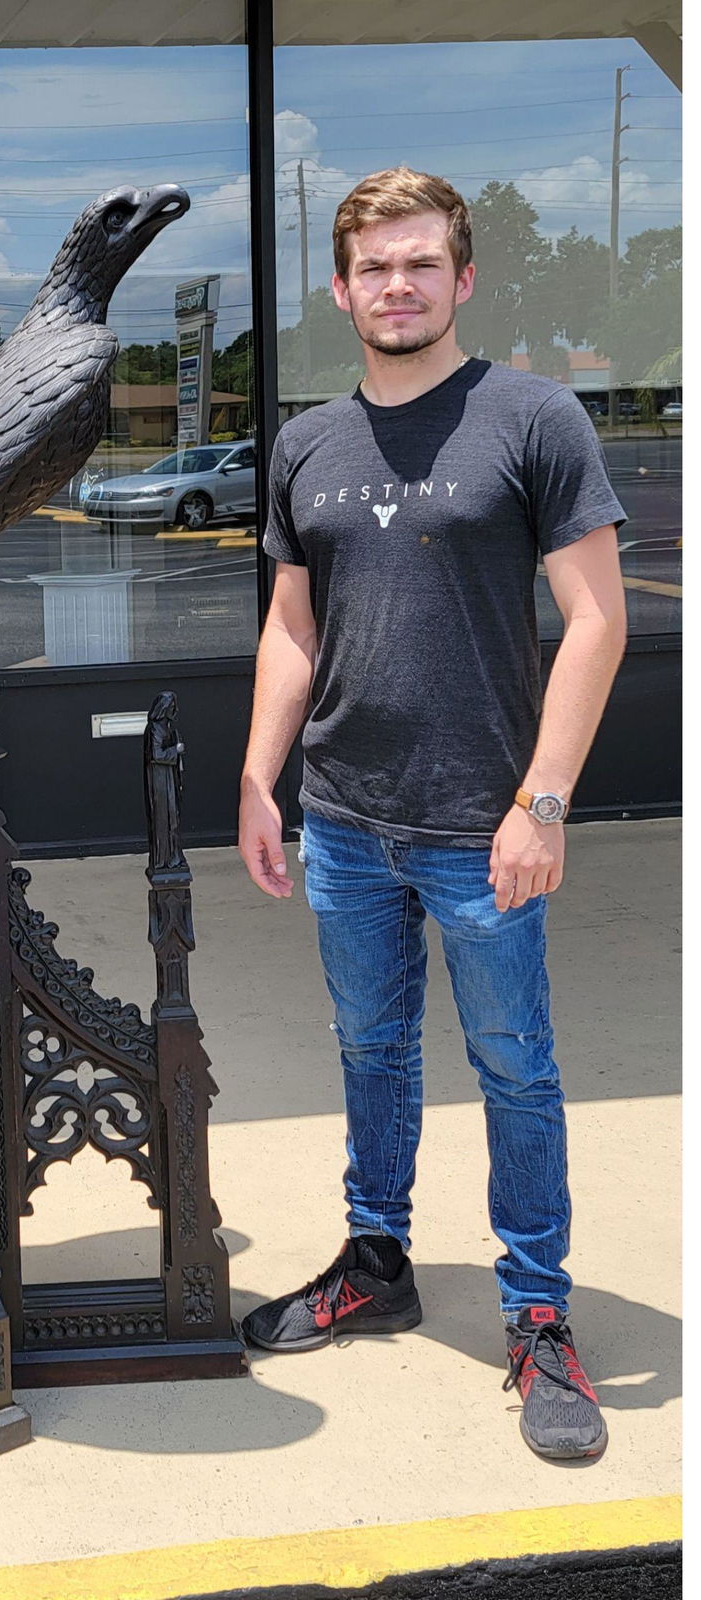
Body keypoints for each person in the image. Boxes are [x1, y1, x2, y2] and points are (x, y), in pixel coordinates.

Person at [237, 168, 628, 1463]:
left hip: (485, 828)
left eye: (420, 264)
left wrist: (542, 804)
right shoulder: (304, 445)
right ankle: (377, 1258)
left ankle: (536, 1312)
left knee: (516, 1067)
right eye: (372, 267)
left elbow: (597, 621)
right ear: (339, 287)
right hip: (346, 820)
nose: (394, 286)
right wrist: (260, 775)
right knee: (372, 1053)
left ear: (462, 278)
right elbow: (293, 631)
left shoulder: (532, 417)